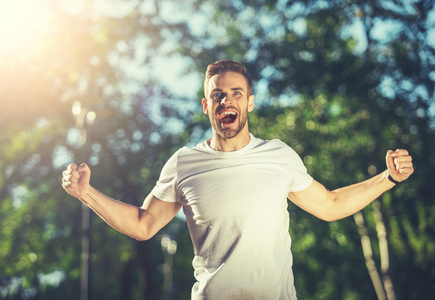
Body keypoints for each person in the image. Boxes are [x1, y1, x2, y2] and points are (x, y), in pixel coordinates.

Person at [62, 60, 414, 299]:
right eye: (217, 95)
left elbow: (331, 205)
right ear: (206, 105)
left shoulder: (279, 155)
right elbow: (143, 225)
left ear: (250, 103)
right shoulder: (184, 163)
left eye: (235, 94)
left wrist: (389, 178)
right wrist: (86, 192)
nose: (225, 101)